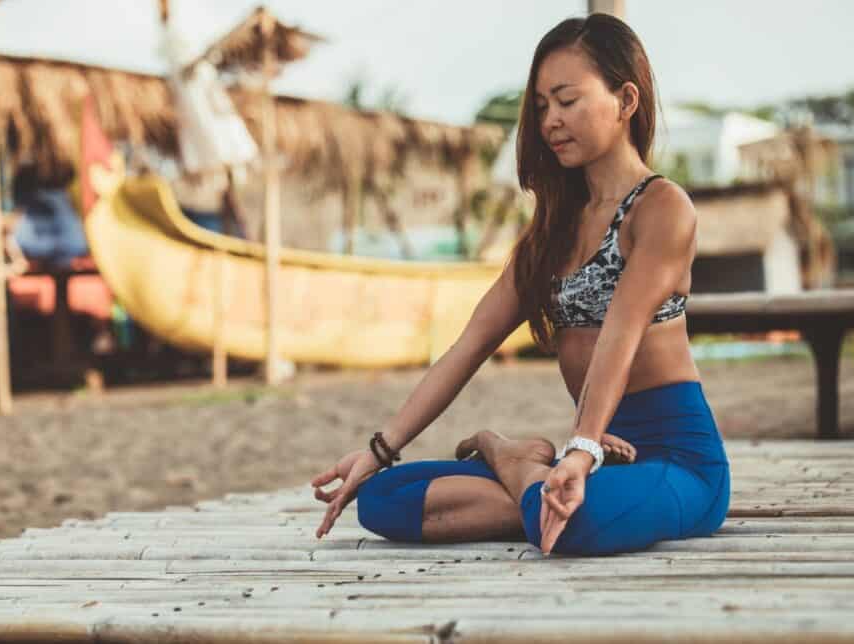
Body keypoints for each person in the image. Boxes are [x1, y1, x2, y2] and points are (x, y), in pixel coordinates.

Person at [310, 13, 730, 556]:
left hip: (675, 462)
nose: (550, 120)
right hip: (596, 452)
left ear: (626, 101)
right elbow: (469, 347)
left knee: (578, 526)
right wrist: (379, 449)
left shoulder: (662, 209)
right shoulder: (553, 230)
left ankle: (514, 461)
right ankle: (537, 488)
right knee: (383, 497)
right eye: (540, 107)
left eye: (567, 100)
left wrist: (577, 451)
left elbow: (620, 334)